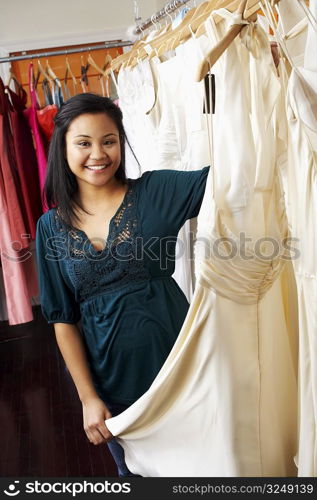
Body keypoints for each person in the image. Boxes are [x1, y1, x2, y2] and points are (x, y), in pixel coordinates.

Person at [36, 93, 209, 477]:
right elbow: (62, 318)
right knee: (138, 477)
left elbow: (234, 171)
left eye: (108, 140)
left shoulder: (155, 193)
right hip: (114, 385)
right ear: (62, 148)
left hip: (182, 369)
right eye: (83, 143)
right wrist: (88, 398)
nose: (98, 153)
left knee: (206, 472)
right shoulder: (49, 227)